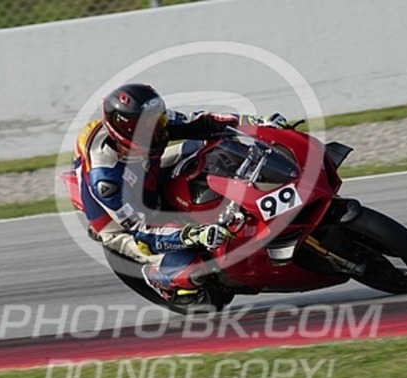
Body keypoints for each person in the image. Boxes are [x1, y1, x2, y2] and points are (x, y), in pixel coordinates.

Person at [74, 83, 287, 303]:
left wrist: (253, 122)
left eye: (157, 119)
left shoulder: (152, 126)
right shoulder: (107, 181)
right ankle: (158, 278)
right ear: (125, 129)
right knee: (191, 267)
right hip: (123, 224)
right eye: (146, 124)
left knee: (210, 147)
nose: (157, 127)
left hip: (144, 171)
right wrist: (192, 234)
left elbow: (200, 122)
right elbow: (142, 229)